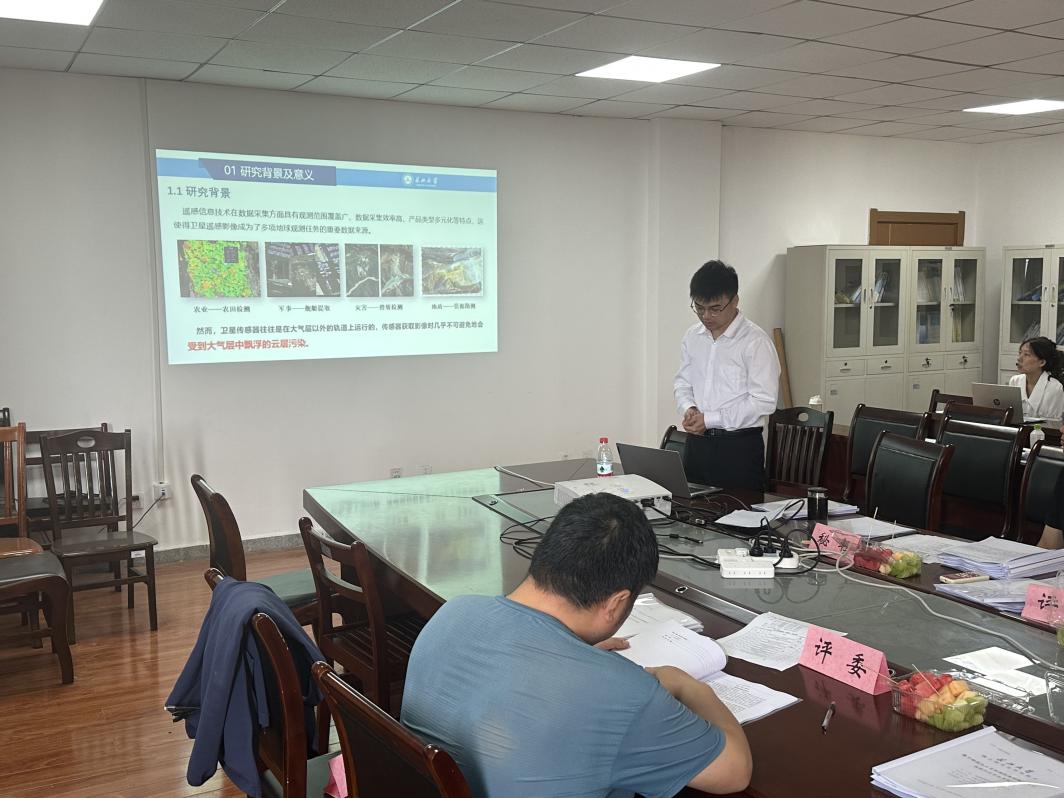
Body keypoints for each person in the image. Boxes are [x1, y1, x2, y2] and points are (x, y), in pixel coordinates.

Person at [400, 493, 752, 798]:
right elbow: (734, 773)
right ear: (616, 603)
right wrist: (689, 685)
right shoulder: (622, 693)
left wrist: (573, 662)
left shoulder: (454, 612)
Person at [674, 260, 780, 491]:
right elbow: (682, 382)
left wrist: (710, 419)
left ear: (735, 301)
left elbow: (764, 401)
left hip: (738, 449)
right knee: (690, 509)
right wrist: (689, 408)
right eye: (699, 308)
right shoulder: (692, 337)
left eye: (715, 308)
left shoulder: (755, 342)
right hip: (697, 445)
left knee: (738, 511)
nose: (706, 316)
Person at [1008, 336, 1064, 421]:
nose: (1019, 358)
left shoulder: (1055, 388)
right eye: (1020, 353)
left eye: (1026, 354)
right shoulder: (1015, 381)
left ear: (1042, 362)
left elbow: (1052, 425)